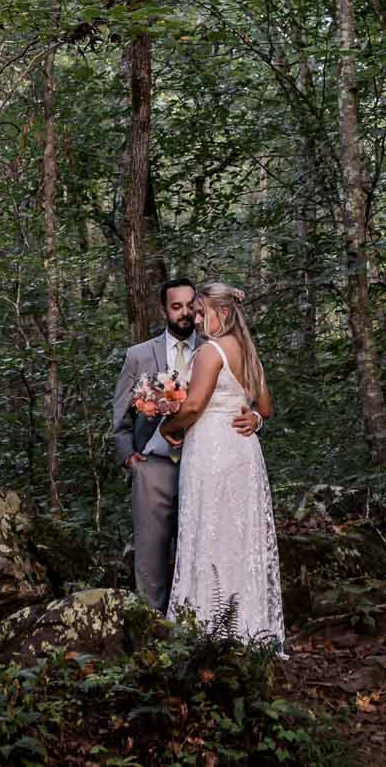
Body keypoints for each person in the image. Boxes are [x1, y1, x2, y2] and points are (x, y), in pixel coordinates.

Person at [109, 278, 263, 612]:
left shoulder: (212, 344)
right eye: (175, 307)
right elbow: (120, 412)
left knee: (205, 543)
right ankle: (153, 625)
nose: (185, 314)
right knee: (151, 551)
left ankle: (206, 617)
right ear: (163, 309)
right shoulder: (139, 355)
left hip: (207, 462)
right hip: (155, 466)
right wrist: (129, 458)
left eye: (189, 306)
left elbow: (244, 396)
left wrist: (255, 417)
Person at [156, 279, 285, 649]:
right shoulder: (247, 350)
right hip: (243, 452)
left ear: (223, 312)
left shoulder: (211, 352)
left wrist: (168, 425)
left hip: (212, 451)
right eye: (194, 313)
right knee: (238, 536)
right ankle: (248, 626)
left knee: (211, 531)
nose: (195, 320)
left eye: (201, 313)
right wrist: (256, 421)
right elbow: (266, 408)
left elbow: (194, 406)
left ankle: (210, 627)